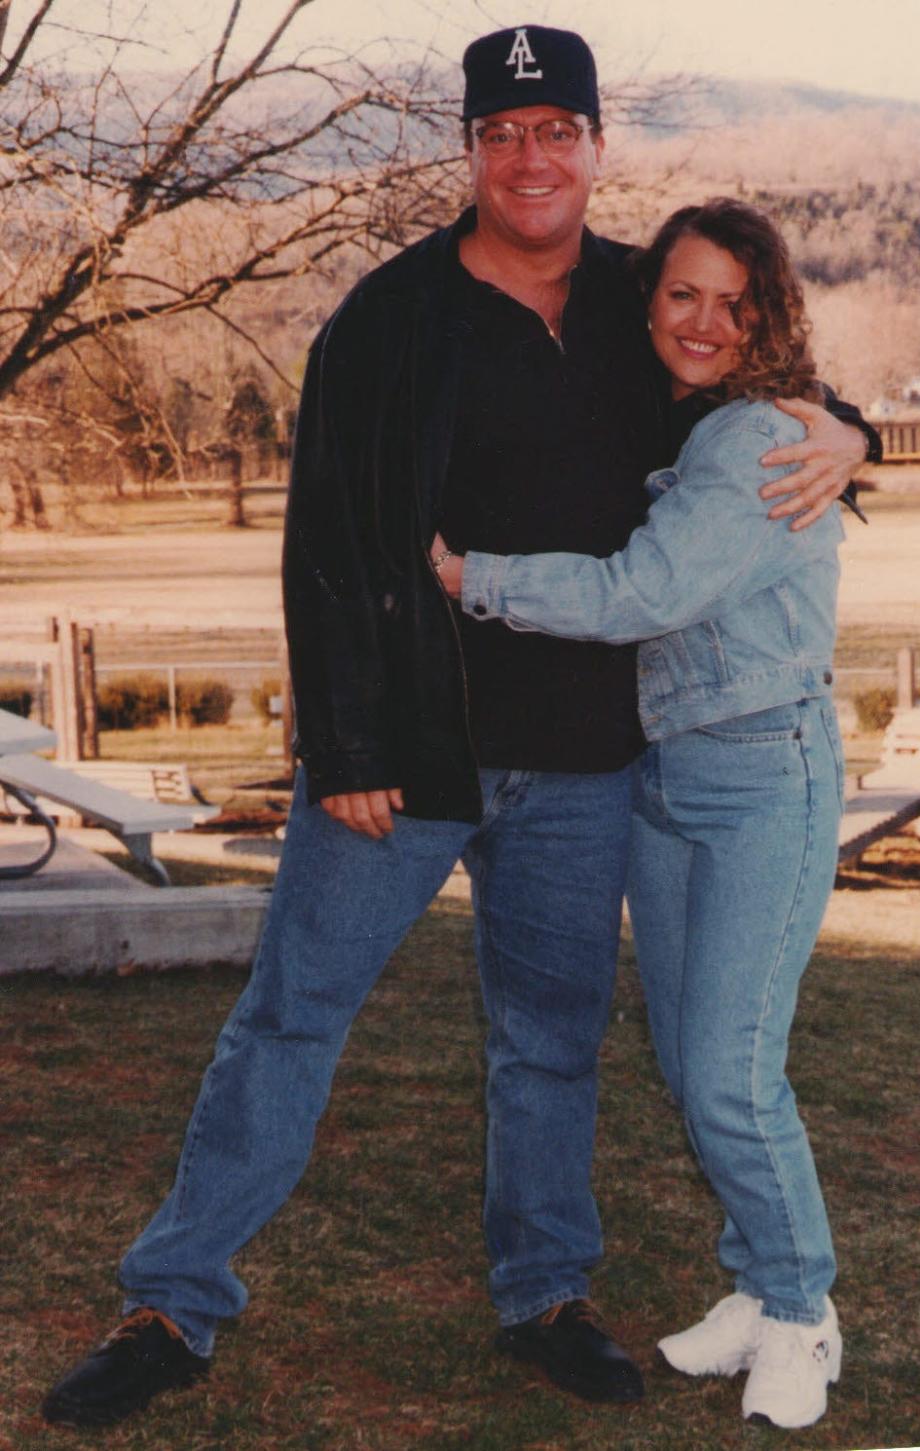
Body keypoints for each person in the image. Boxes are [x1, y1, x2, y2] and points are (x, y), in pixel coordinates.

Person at [41, 29, 876, 1429]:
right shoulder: (388, 320)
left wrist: (845, 425)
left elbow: (754, 390)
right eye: (504, 131)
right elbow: (325, 546)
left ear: (597, 147)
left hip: (587, 762)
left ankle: (544, 1293)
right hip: (410, 759)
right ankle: (172, 1301)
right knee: (289, 1016)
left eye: (559, 129)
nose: (532, 155)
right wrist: (349, 748)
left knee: (546, 1040)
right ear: (469, 150)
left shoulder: (635, 297)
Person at [431, 198, 850, 1430]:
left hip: (762, 771)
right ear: (647, 302)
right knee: (693, 1058)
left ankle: (801, 1312)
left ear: (770, 314)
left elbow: (642, 590)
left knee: (730, 1069)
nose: (707, 320)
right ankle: (755, 1276)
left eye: (737, 300)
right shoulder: (698, 422)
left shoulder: (754, 441)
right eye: (683, 294)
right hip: (672, 772)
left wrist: (474, 576)